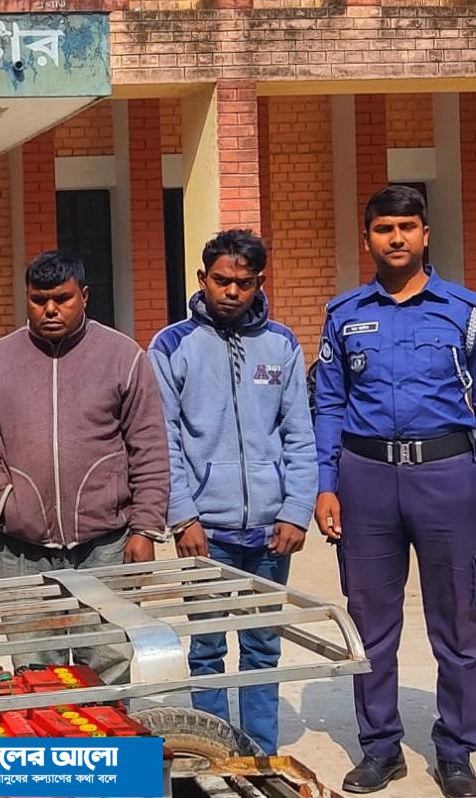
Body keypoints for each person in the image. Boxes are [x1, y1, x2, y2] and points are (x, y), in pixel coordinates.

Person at [315, 185, 476, 797]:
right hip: (366, 479)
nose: (397, 237)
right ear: (368, 239)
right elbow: (329, 403)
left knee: (458, 622)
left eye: (407, 227)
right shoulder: (344, 313)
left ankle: (456, 750)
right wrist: (326, 486)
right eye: (384, 228)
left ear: (425, 234)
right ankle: (380, 748)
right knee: (370, 623)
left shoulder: (464, 311)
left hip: (447, 475)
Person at [148, 229, 316, 755]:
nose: (232, 292)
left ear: (259, 282)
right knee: (207, 649)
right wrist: (182, 516)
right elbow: (164, 439)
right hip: (207, 532)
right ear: (202, 278)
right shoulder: (171, 346)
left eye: (244, 283)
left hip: (271, 531)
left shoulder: (282, 344)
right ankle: (217, 754)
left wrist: (296, 510)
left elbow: (299, 433)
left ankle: (259, 754)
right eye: (221, 280)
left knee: (263, 647)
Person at [0, 249, 168, 684]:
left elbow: (149, 447)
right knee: (36, 677)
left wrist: (145, 528)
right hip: (22, 551)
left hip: (106, 546)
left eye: (63, 298)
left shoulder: (123, 357)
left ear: (85, 296)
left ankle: (108, 731)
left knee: (109, 668)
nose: (51, 309)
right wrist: (5, 503)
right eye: (39, 300)